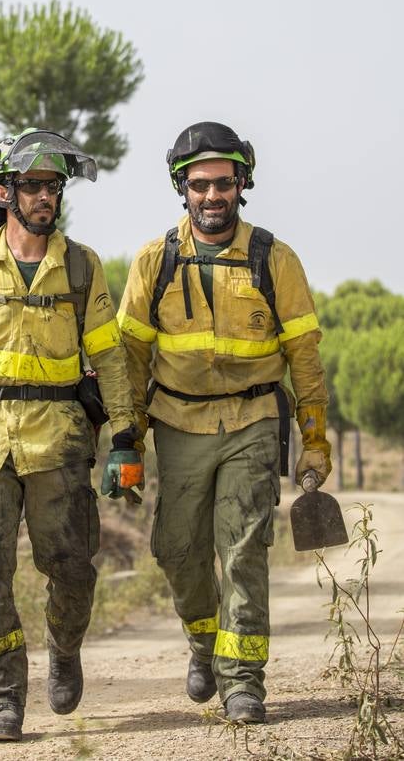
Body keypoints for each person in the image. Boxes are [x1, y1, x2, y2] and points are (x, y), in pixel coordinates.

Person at [0, 129, 143, 742]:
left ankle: (64, 648)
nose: (45, 197)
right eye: (32, 187)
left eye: (53, 187)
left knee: (71, 567)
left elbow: (108, 357)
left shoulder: (81, 266)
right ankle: (4, 697)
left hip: (59, 441)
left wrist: (126, 437)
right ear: (4, 194)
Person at [118, 121, 330, 724]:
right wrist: (125, 440)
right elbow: (129, 361)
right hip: (178, 425)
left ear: (243, 184)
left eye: (224, 183)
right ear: (181, 188)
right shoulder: (153, 261)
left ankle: (244, 684)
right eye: (199, 185)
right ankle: (203, 642)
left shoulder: (275, 260)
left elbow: (305, 360)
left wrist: (313, 441)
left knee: (242, 549)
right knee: (177, 551)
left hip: (254, 421)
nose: (212, 196)